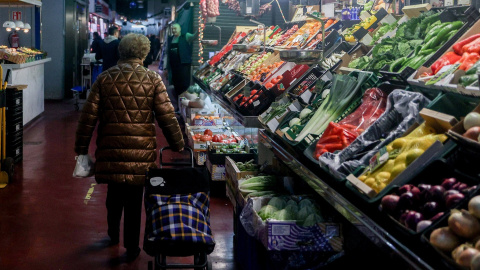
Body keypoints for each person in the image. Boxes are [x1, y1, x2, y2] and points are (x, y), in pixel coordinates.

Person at [74, 33, 185, 262]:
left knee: (113, 195)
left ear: (120, 52)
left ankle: (113, 234)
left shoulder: (104, 79)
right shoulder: (153, 80)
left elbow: (88, 118)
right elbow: (167, 115)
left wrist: (81, 148)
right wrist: (178, 143)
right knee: (135, 201)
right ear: (144, 54)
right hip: (140, 153)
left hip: (111, 149)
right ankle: (132, 247)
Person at [164, 23, 196, 112]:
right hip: (174, 67)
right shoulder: (170, 39)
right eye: (173, 29)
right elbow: (168, 54)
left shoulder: (185, 36)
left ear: (180, 29)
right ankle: (179, 106)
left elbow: (194, 37)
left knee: (184, 86)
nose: (174, 30)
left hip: (184, 67)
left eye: (175, 29)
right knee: (176, 87)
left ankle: (184, 107)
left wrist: (201, 28)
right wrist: (166, 68)